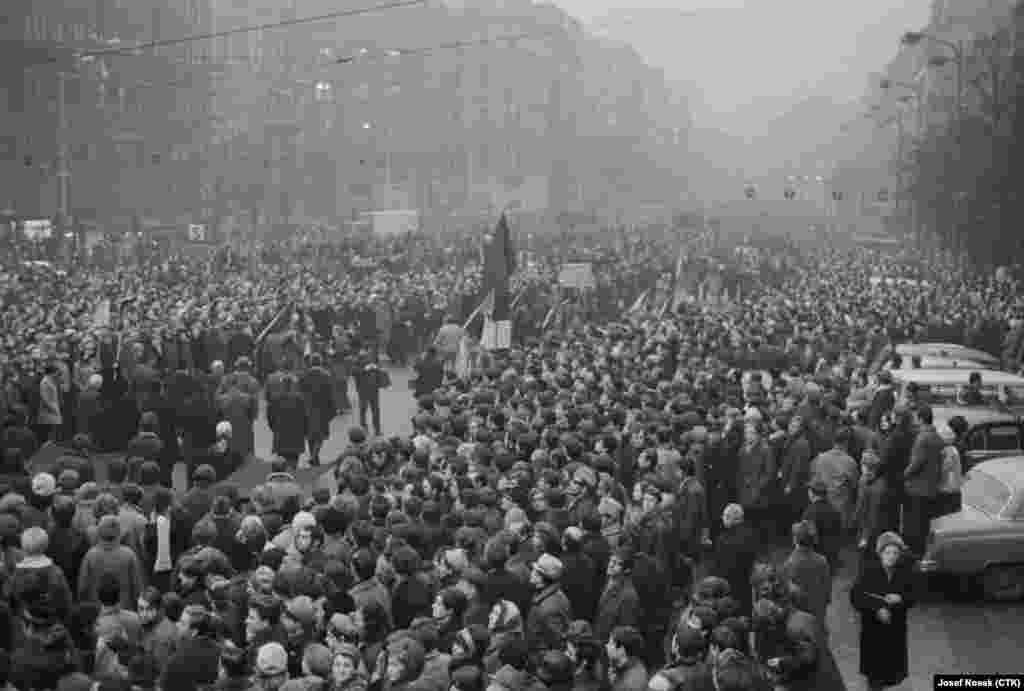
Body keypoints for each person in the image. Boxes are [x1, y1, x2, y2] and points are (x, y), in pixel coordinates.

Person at [850, 532, 915, 691]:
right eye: (888, 552)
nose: (891, 557)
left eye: (895, 553)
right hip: (874, 633)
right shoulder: (869, 571)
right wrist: (876, 608)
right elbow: (856, 596)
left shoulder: (903, 572)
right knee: (875, 678)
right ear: (880, 553)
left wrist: (900, 599)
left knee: (889, 676)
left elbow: (913, 595)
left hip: (894, 632)